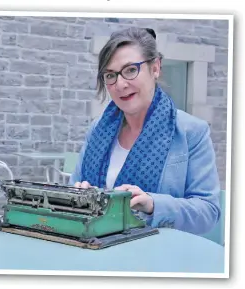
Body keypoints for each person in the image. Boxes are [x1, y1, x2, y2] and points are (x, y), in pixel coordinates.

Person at [69, 27, 221, 235]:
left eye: (130, 70)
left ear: (155, 68)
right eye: (110, 75)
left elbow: (208, 212)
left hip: (157, 259)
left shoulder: (191, 132)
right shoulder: (97, 130)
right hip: (94, 249)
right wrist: (77, 196)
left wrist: (153, 205)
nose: (120, 84)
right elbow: (72, 188)